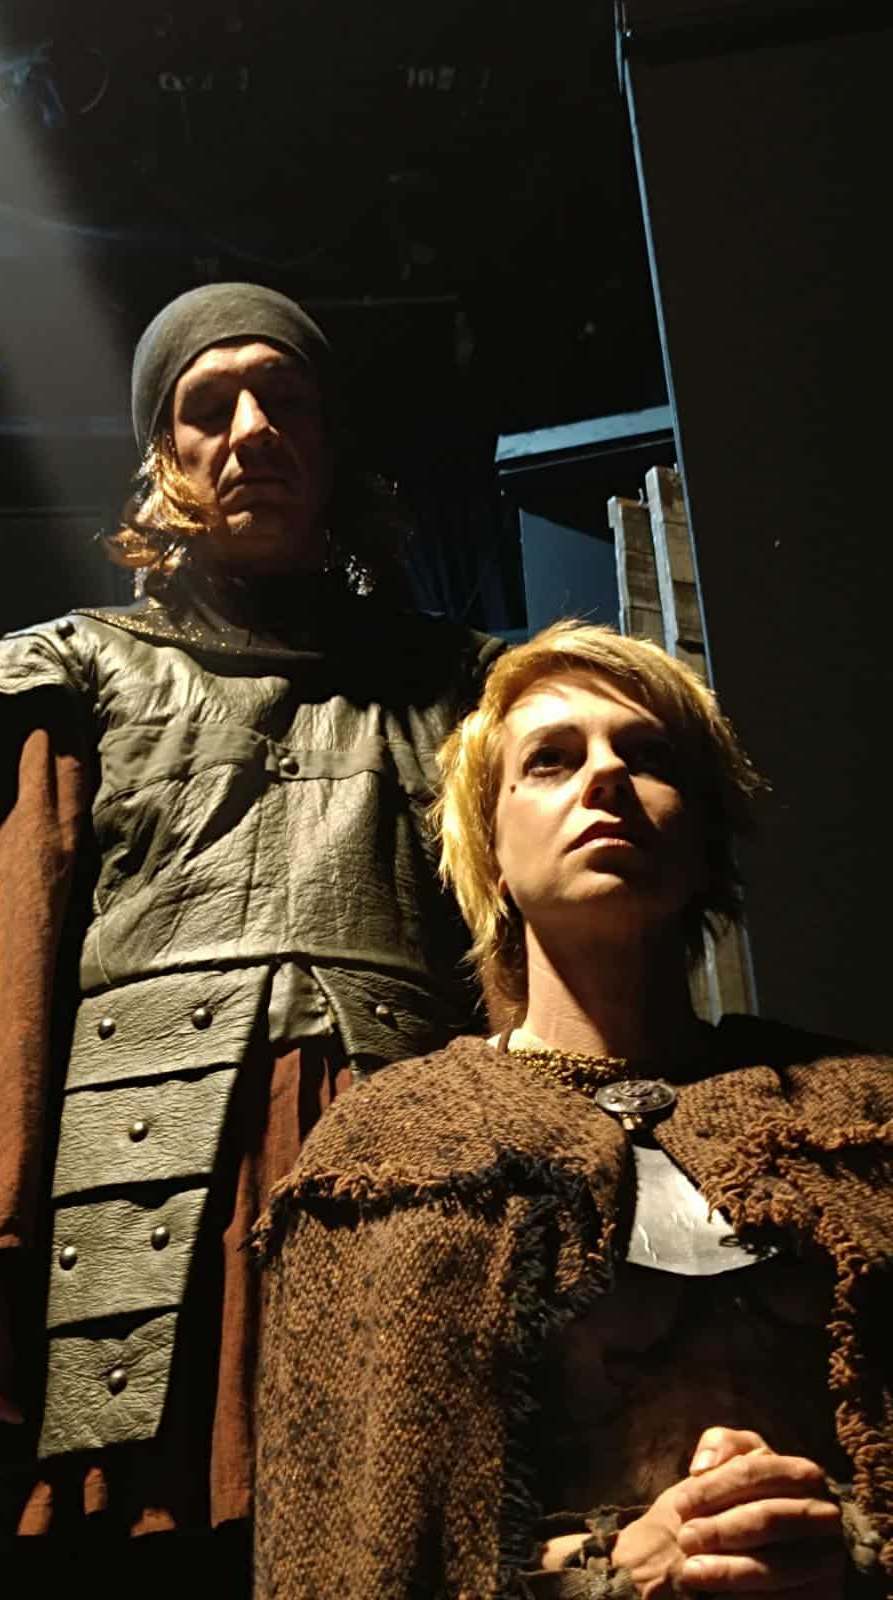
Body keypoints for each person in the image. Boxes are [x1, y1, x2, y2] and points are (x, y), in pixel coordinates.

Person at [0, 282, 502, 1581]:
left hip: (402, 1166)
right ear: (164, 455)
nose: (251, 430)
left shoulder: (464, 693)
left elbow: (520, 969)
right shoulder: (78, 677)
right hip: (144, 1196)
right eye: (209, 406)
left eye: (286, 400)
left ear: (330, 445)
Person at [254, 621, 893, 1598]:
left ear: (705, 837)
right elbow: (343, 1546)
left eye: (649, 756)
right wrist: (609, 1568)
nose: (606, 777)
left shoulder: (859, 1109)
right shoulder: (389, 1148)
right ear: (491, 846)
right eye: (550, 760)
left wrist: (839, 1540)